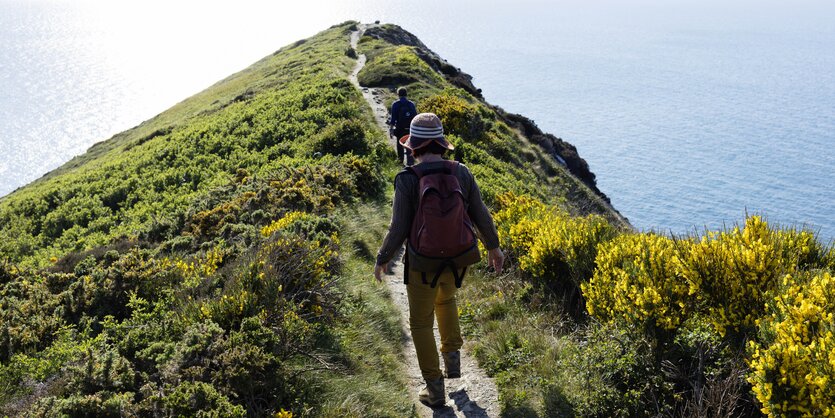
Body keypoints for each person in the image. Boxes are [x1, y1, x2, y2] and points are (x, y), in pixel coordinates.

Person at [374, 113, 505, 407]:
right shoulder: (462, 172)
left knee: (421, 323)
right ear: (442, 145)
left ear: (414, 147)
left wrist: (382, 259)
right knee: (446, 302)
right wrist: (494, 248)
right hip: (459, 258)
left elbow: (398, 227)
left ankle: (434, 390)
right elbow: (481, 214)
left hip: (423, 262)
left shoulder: (407, 179)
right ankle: (453, 363)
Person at [388, 87, 417, 166]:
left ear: (398, 94)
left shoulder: (395, 104)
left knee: (400, 145)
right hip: (410, 130)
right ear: (406, 94)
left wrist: (391, 130)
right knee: (409, 146)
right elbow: (415, 118)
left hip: (400, 129)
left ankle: (401, 163)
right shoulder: (411, 104)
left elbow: (393, 119)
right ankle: (410, 165)